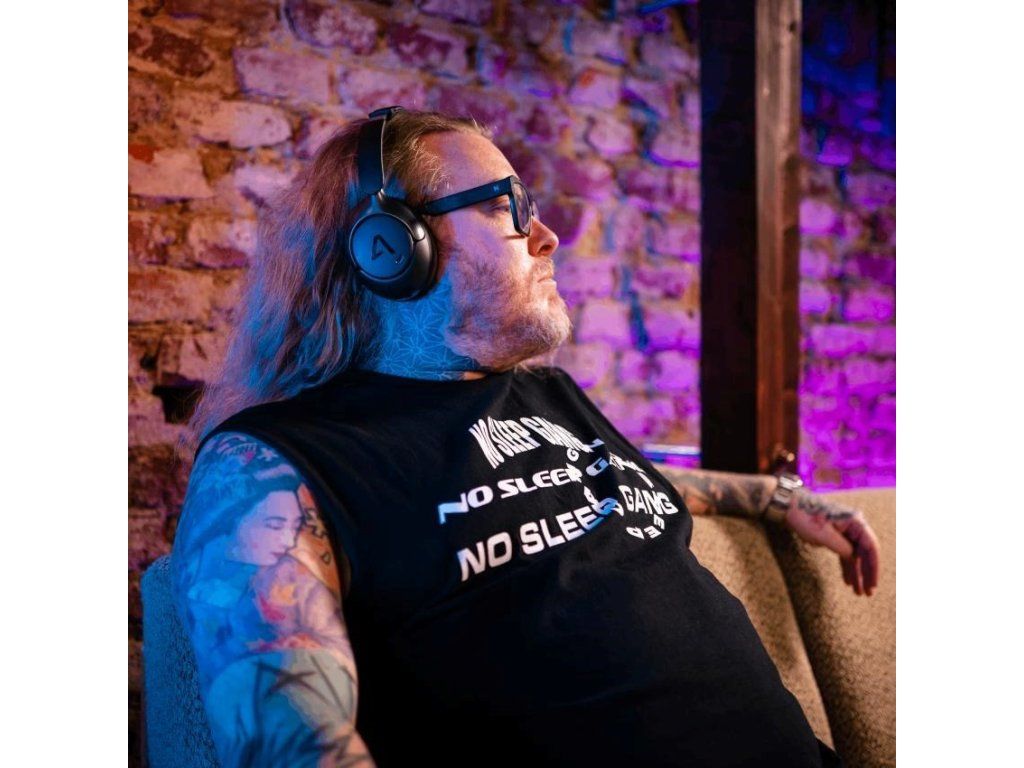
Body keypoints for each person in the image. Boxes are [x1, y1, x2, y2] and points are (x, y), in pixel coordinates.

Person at [171, 108, 879, 767]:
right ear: (391, 248)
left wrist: (778, 497)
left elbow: (614, 485)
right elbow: (292, 746)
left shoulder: (551, 396)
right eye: (505, 207)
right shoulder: (270, 464)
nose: (547, 237)